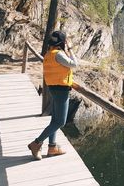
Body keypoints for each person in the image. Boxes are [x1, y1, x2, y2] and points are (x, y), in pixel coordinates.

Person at [28, 31, 78, 160]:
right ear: (62, 43)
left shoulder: (48, 54)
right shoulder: (59, 54)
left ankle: (52, 147)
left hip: (53, 89)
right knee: (60, 122)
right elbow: (74, 64)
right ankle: (36, 143)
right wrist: (70, 49)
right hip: (61, 90)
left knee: (54, 120)